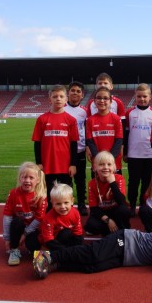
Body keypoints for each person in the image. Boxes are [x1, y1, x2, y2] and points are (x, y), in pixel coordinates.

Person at [33, 211, 152, 279]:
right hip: (125, 240)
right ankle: (47, 256)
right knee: (93, 254)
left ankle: (58, 264)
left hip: (125, 258)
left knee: (93, 267)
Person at [31, 85, 79, 210]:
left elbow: (74, 143)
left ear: (66, 99)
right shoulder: (42, 119)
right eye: (55, 96)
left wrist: (73, 164)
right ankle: (49, 219)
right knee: (48, 194)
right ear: (50, 99)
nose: (58, 99)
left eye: (61, 96)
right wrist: (39, 163)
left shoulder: (71, 120)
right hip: (47, 165)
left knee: (65, 193)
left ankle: (67, 217)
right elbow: (37, 142)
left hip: (65, 165)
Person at [124, 83, 152, 217]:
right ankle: (132, 205)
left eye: (145, 96)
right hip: (134, 154)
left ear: (150, 97)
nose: (142, 99)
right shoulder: (129, 113)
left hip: (149, 154)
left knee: (147, 182)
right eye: (139, 96)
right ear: (135, 97)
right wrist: (125, 152)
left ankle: (144, 205)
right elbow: (126, 134)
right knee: (133, 182)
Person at [2, 162, 47, 266]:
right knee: (16, 222)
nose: (27, 180)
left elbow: (39, 219)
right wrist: (7, 238)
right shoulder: (13, 193)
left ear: (38, 180)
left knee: (33, 245)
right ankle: (14, 250)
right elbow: (7, 217)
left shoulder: (41, 196)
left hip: (33, 228)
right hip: (19, 225)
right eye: (24, 177)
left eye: (31, 178)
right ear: (19, 178)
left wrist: (25, 234)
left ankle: (30, 247)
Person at [83, 151, 130, 236]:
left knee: (124, 210)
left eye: (109, 164)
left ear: (114, 167)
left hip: (116, 211)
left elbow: (121, 202)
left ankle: (122, 230)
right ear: (95, 167)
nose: (105, 167)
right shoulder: (92, 183)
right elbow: (94, 208)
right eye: (101, 164)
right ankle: (110, 228)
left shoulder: (119, 179)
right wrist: (108, 220)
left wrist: (112, 183)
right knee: (91, 225)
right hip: (102, 213)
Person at [64, 81, 90, 215]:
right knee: (66, 180)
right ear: (68, 93)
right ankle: (67, 203)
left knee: (80, 179)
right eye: (73, 90)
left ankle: (81, 204)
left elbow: (87, 131)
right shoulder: (61, 109)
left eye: (78, 91)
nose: (75, 93)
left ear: (82, 95)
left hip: (79, 150)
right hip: (64, 151)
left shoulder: (84, 112)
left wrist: (87, 146)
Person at [85, 86, 123, 174]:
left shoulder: (116, 119)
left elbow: (118, 142)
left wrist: (109, 160)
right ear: (94, 101)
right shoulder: (90, 120)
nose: (102, 101)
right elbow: (90, 142)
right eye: (99, 98)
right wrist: (100, 159)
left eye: (105, 98)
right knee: (97, 187)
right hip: (97, 163)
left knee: (114, 187)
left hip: (113, 163)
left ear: (111, 101)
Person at [39, 183, 84, 251]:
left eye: (66, 202)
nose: (63, 207)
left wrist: (77, 248)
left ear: (72, 201)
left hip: (65, 237)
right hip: (51, 241)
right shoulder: (48, 218)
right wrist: (64, 250)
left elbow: (78, 232)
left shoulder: (75, 213)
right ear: (52, 203)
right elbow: (48, 239)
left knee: (69, 235)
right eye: (58, 204)